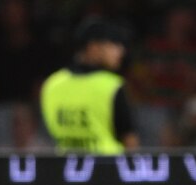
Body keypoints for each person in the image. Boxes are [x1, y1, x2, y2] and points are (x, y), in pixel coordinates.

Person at [40, 17, 139, 154]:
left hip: (65, 168)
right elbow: (130, 142)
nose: (121, 51)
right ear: (93, 47)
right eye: (113, 44)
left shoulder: (52, 84)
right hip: (109, 169)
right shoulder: (112, 85)